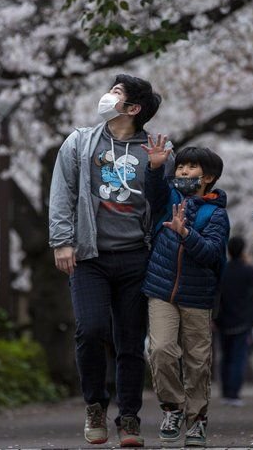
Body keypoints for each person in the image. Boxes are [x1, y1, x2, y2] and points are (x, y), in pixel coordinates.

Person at [48, 75, 164, 447]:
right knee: (91, 330)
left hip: (136, 257)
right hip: (90, 256)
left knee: (130, 341)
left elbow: (164, 205)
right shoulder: (80, 142)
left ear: (133, 108)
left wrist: (159, 170)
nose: (107, 97)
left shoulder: (156, 149)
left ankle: (129, 417)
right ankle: (95, 405)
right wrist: (62, 242)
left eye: (116, 93)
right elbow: (62, 192)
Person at [141, 141, 230, 448]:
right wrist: (155, 167)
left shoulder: (216, 214)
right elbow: (153, 190)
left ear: (208, 177)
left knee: (198, 360)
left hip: (198, 296)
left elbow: (212, 254)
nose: (183, 171)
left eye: (191, 167)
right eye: (180, 166)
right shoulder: (168, 199)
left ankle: (197, 418)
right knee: (161, 350)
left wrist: (186, 234)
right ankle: (172, 408)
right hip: (161, 290)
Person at [215, 236, 253, 406]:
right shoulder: (248, 270)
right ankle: (234, 394)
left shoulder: (223, 270)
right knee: (238, 357)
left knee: (225, 356)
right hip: (242, 320)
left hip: (223, 320)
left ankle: (225, 391)